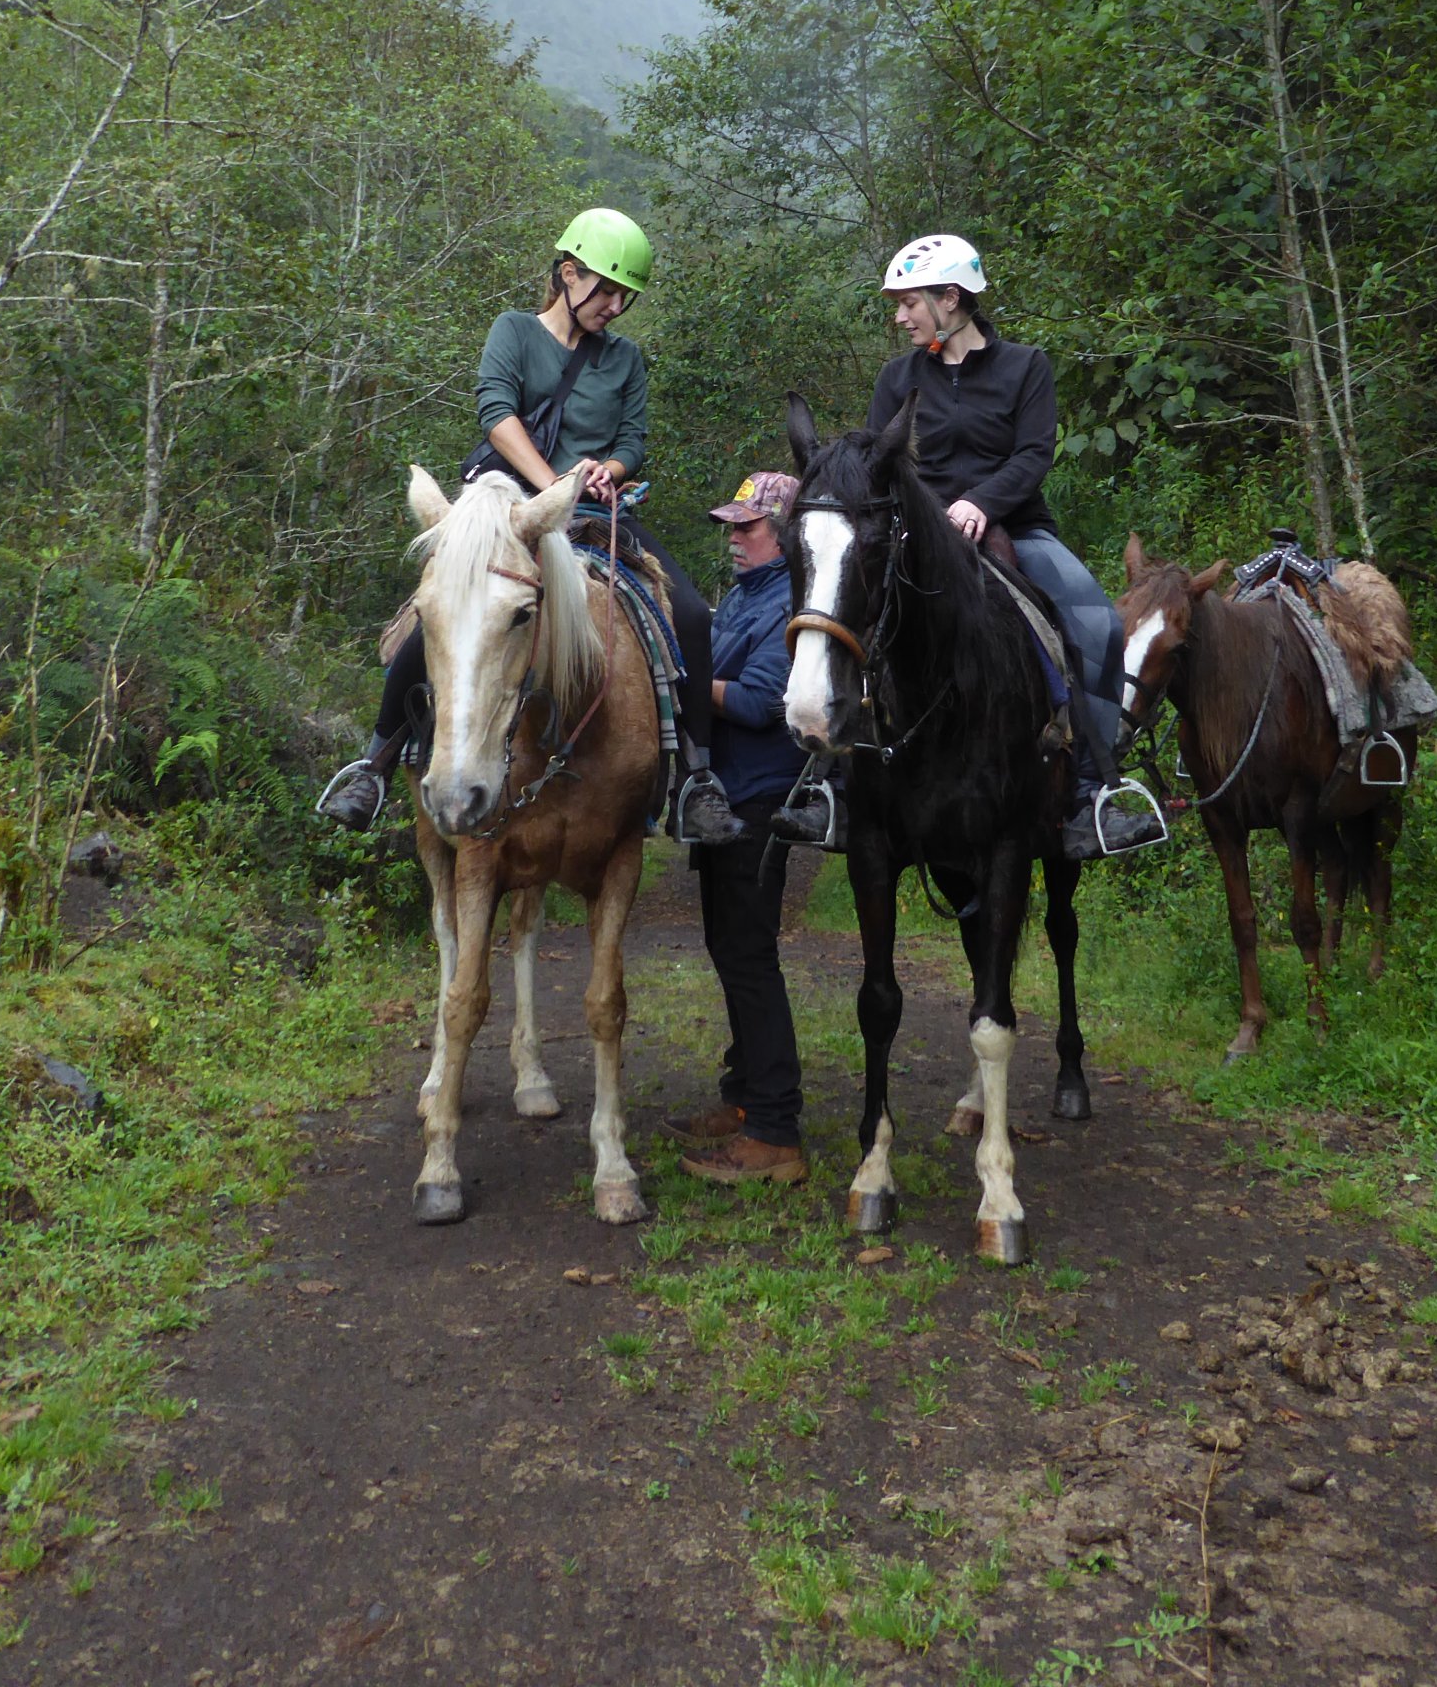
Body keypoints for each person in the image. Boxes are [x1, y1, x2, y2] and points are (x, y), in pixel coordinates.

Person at [316, 207, 745, 846]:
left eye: (626, 295)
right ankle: (374, 765)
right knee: (435, 616)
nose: (617, 307)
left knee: (687, 613)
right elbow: (497, 415)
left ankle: (696, 779)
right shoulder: (513, 331)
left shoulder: (625, 360)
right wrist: (552, 487)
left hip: (597, 513)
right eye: (607, 290)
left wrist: (608, 470)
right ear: (568, 274)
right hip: (504, 508)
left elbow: (633, 441)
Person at [816, 233, 1167, 862]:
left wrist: (980, 502)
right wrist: (926, 516)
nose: (900, 317)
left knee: (1096, 625)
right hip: (915, 539)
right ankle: (831, 788)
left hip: (1014, 529)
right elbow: (878, 463)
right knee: (843, 611)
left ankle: (1093, 794)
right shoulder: (897, 377)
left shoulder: (1025, 367)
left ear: (950, 298)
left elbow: (1034, 454)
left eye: (908, 303)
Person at [669, 471, 810, 1187]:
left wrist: (675, 682)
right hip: (723, 800)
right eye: (730, 526)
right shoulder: (742, 599)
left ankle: (778, 1132)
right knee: (729, 948)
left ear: (782, 536)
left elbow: (758, 701)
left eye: (747, 527)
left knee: (750, 957)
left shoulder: (789, 604)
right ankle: (745, 1101)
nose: (733, 538)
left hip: (757, 801)